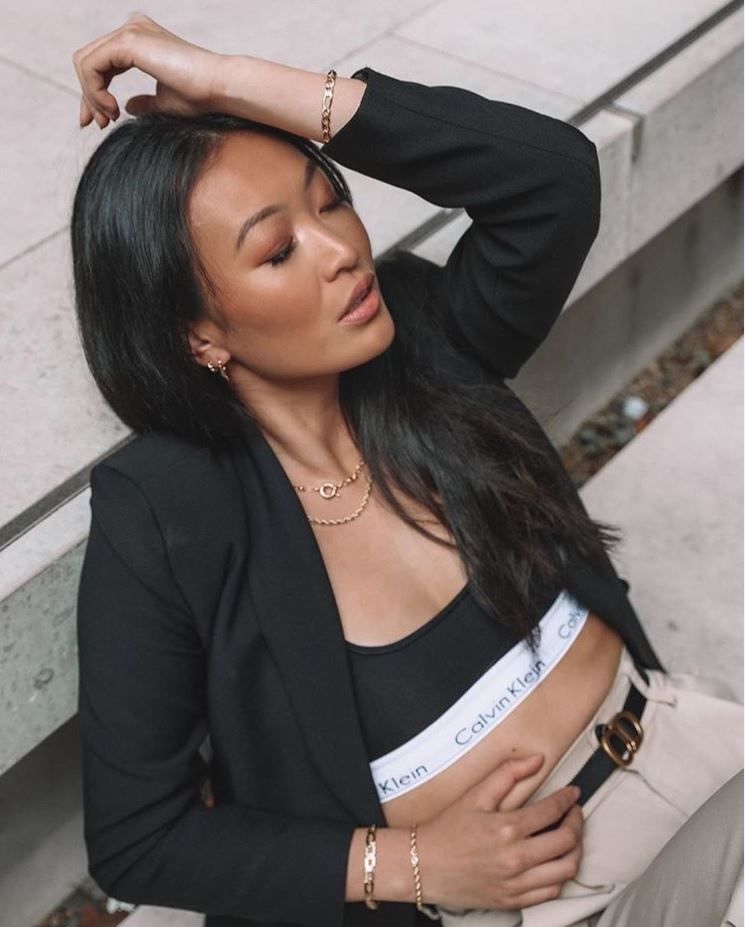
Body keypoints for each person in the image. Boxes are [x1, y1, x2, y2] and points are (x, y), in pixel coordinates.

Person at [71, 13, 743, 927]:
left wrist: (230, 81)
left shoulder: (421, 336)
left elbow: (552, 182)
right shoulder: (169, 509)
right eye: (278, 250)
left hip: (684, 751)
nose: (341, 250)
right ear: (198, 335)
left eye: (329, 202)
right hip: (524, 906)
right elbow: (137, 836)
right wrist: (410, 863)